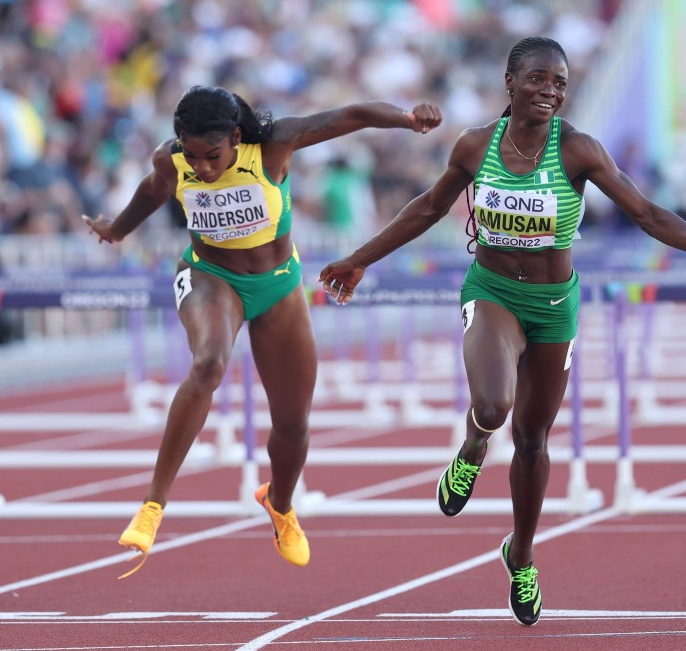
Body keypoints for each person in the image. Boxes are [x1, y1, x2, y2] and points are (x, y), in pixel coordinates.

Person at [317, 36, 686, 626]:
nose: (549, 91)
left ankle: (520, 554)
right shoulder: (476, 145)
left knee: (533, 440)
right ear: (510, 82)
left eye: (559, 81)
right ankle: (473, 447)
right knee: (494, 404)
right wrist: (361, 258)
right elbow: (426, 208)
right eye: (537, 79)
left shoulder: (578, 150)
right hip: (493, 292)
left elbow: (645, 211)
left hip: (554, 305)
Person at [83, 85, 442, 578]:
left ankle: (280, 503)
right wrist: (118, 229)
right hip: (211, 277)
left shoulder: (274, 145)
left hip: (277, 285)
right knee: (208, 364)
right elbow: (154, 189)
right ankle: (152, 506)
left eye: (212, 156)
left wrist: (407, 117)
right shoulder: (172, 160)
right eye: (193, 156)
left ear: (235, 136)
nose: (203, 168)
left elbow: (353, 113)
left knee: (293, 423)